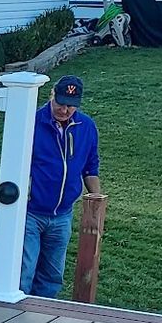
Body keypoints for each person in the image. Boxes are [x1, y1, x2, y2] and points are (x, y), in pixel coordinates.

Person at [20, 74, 102, 299]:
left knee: (52, 275)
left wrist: (97, 199)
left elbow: (90, 166)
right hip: (30, 213)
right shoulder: (32, 122)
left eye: (71, 106)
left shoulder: (86, 127)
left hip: (63, 215)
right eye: (60, 103)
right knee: (23, 272)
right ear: (51, 96)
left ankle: (42, 316)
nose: (64, 110)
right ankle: (13, 317)